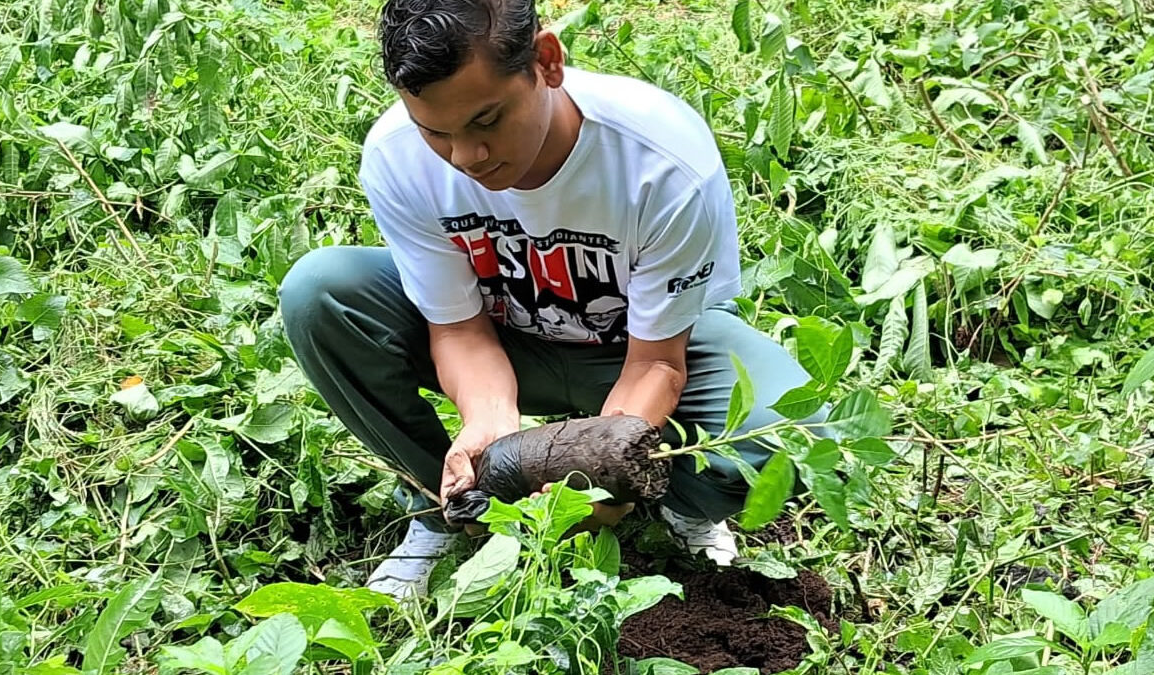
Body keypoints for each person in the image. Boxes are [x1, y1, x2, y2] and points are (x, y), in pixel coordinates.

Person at [278, 0, 829, 600]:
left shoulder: (660, 161)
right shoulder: (396, 156)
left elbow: (657, 363)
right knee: (321, 291)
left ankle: (675, 498)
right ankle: (449, 503)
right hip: (509, 336)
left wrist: (602, 478)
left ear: (546, 61)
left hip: (644, 349)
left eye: (487, 121)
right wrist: (488, 421)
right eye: (437, 131)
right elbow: (459, 330)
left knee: (796, 429)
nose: (466, 157)